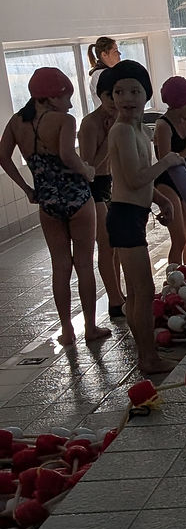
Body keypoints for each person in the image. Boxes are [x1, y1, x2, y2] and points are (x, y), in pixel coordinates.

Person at [0, 67, 110, 347]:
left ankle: (67, 331)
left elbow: (3, 156)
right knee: (84, 264)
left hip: (47, 202)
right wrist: (86, 170)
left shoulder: (16, 122)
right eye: (66, 97)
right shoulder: (64, 120)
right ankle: (90, 327)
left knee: (60, 266)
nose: (70, 104)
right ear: (51, 97)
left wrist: (27, 189)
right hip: (77, 197)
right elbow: (66, 155)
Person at [105, 60, 182, 375]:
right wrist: (167, 161)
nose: (126, 98)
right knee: (143, 291)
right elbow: (135, 179)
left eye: (134, 91)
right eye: (119, 92)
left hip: (134, 214)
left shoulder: (141, 129)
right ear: (111, 97)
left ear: (146, 94)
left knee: (139, 292)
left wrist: (162, 200)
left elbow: (142, 181)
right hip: (124, 217)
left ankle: (147, 354)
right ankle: (148, 358)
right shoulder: (122, 131)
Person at [77, 68, 126, 317]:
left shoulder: (118, 119)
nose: (115, 101)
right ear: (101, 96)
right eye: (110, 96)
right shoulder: (90, 124)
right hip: (92, 187)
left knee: (115, 244)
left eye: (118, 95)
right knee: (106, 244)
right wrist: (110, 136)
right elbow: (89, 169)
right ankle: (115, 300)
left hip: (109, 183)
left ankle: (118, 294)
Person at [154, 75, 186, 275]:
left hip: (183, 181)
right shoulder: (163, 125)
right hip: (166, 183)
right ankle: (174, 281)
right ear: (178, 103)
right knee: (179, 239)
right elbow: (165, 159)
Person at [87, 35, 120, 107]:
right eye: (115, 51)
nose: (119, 54)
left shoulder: (110, 72)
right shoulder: (99, 75)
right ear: (104, 55)